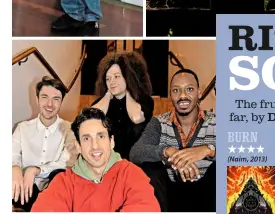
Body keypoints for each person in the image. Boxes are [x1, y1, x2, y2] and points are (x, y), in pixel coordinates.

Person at [31, 107, 160, 212]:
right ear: (78, 146)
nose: (95, 146)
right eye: (86, 138)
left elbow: (147, 208)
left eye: (101, 136)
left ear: (111, 142)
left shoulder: (132, 174)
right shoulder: (64, 182)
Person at [130, 69, 216, 212]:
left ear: (199, 93)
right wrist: (167, 151)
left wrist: (209, 150)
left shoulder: (216, 122)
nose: (182, 96)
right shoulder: (159, 122)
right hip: (169, 197)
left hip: (208, 196)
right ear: (171, 94)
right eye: (176, 90)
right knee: (150, 168)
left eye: (189, 89)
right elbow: (136, 152)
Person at [12, 78, 76, 212]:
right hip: (25, 190)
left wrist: (36, 170)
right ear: (37, 100)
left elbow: (67, 163)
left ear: (61, 102)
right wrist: (15, 167)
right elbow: (12, 154)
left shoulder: (70, 129)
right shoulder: (22, 128)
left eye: (56, 99)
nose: (50, 104)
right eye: (44, 97)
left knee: (59, 174)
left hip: (55, 190)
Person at [92, 51, 154, 160]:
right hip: (107, 159)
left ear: (127, 77)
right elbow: (90, 120)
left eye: (117, 76)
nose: (112, 82)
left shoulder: (144, 100)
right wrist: (107, 95)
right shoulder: (103, 102)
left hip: (137, 160)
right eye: (108, 78)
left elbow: (136, 117)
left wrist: (128, 90)